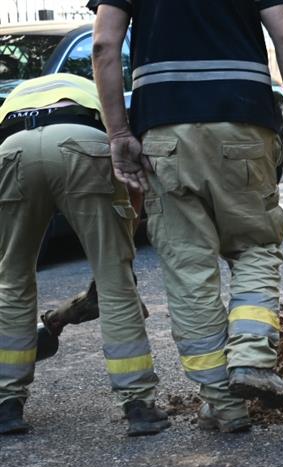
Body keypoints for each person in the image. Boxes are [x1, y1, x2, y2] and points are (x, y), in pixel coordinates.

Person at [89, 0, 283, 433]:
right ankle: (251, 356)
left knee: (189, 270)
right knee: (255, 245)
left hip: (164, 133)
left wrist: (118, 132)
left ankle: (224, 405)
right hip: (245, 122)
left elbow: (104, 44)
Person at [0, 72, 168, 437]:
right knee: (114, 283)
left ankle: (6, 405)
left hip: (11, 149)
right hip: (82, 142)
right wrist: (122, 251)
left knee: (11, 281)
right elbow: (131, 176)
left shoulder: (15, 96)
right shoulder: (93, 90)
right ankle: (138, 405)